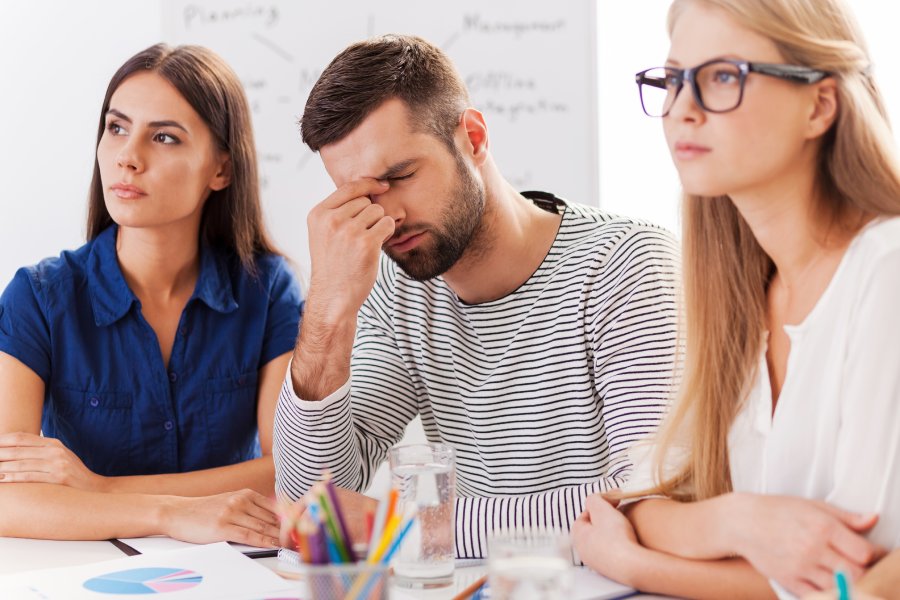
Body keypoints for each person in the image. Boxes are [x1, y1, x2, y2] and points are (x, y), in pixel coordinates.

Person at [272, 34, 680, 557]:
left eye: (401, 176)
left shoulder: (627, 265)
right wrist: (328, 311)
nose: (387, 216)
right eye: (361, 195)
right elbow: (316, 500)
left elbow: (650, 502)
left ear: (473, 137)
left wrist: (400, 527)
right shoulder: (396, 288)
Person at [571, 0, 900, 598]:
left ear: (819, 105)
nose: (682, 111)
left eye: (723, 76)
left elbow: (850, 577)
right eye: (673, 79)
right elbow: (641, 503)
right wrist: (739, 520)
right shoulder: (743, 293)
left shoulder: (887, 270)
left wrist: (638, 565)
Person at [0, 43, 302, 547]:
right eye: (116, 128)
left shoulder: (268, 291)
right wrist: (169, 514)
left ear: (221, 169)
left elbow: (288, 476)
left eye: (163, 137)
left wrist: (98, 489)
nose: (128, 157)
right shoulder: (38, 297)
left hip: (234, 573)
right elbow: (7, 496)